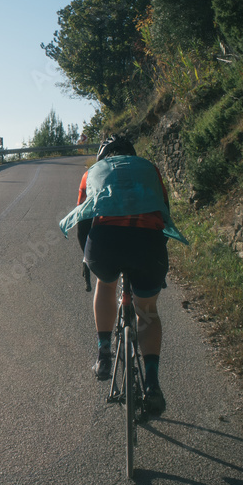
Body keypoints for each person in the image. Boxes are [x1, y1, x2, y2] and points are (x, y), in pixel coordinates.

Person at [59, 135, 189, 416]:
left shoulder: (91, 173)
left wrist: (87, 258)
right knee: (147, 309)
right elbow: (163, 211)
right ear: (131, 154)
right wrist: (155, 256)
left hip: (106, 241)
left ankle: (104, 355)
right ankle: (152, 383)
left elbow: (83, 218)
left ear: (103, 156)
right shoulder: (149, 168)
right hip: (148, 244)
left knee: (105, 286)